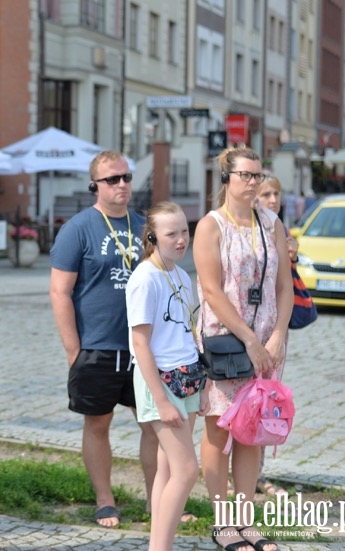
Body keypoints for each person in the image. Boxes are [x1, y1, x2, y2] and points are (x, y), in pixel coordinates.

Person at [49, 150, 158, 528]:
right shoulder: (79, 228)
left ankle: (155, 500)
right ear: (95, 185)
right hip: (97, 346)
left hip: (143, 346)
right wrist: (73, 350)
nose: (123, 184)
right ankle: (104, 499)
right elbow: (60, 292)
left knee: (152, 423)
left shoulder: (145, 226)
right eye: (113, 179)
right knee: (98, 424)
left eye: (127, 177)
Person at [194, 148, 292, 551]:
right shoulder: (210, 226)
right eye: (245, 175)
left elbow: (285, 286)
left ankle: (247, 520)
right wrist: (249, 340)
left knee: (253, 432)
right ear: (226, 178)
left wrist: (278, 334)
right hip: (227, 344)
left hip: (266, 346)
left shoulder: (271, 223)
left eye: (257, 175)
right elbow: (212, 292)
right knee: (219, 431)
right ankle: (222, 524)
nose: (252, 182)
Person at [126, 202, 208, 551]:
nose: (180, 240)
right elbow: (140, 343)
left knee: (167, 467)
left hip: (187, 376)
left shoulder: (178, 273)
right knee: (187, 470)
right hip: (160, 382)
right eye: (171, 233)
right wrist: (160, 399)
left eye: (184, 231)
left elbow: (189, 332)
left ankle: (158, 544)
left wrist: (202, 385)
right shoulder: (144, 279)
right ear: (152, 236)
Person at [253, 175, 295, 499]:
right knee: (239, 406)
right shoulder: (244, 228)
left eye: (276, 193)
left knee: (269, 404)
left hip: (275, 330)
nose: (272, 199)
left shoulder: (280, 229)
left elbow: (286, 286)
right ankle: (234, 473)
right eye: (265, 193)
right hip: (247, 331)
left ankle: (257, 472)